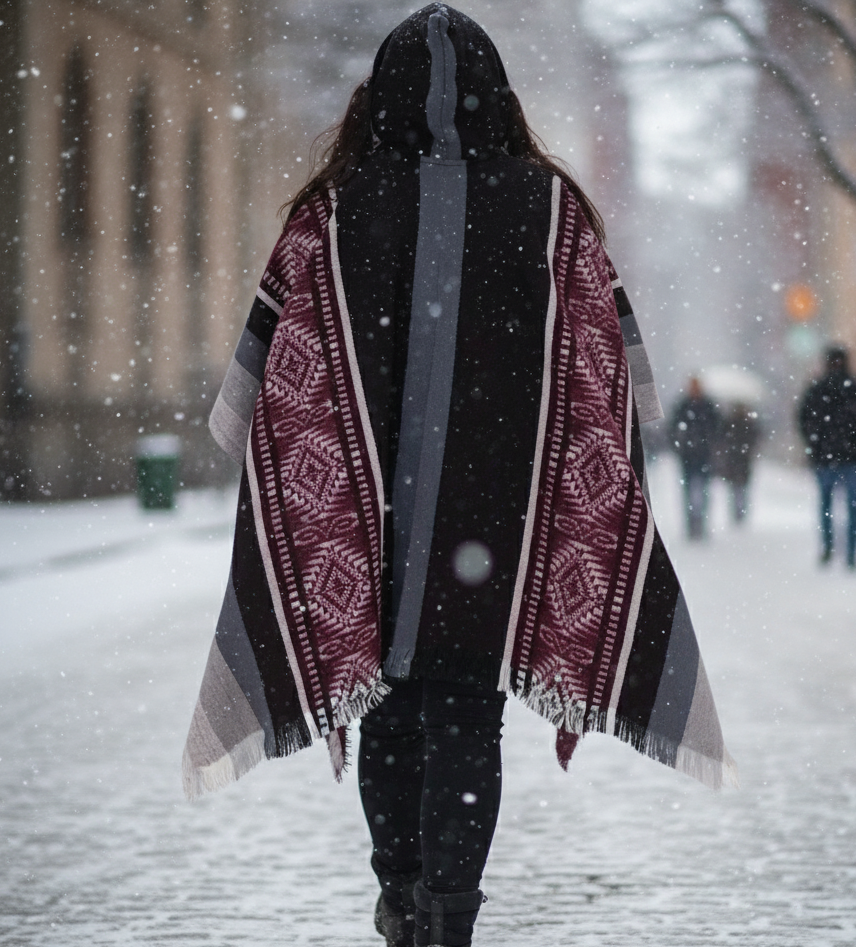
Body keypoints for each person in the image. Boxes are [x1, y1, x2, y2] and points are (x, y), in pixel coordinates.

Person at [181, 7, 736, 946]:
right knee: (466, 721)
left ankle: (400, 897)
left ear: (376, 96)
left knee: (391, 715)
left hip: (368, 527)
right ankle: (447, 917)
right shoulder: (551, 210)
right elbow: (609, 377)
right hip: (496, 529)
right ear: (502, 96)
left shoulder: (334, 209)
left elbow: (263, 386)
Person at [798, 345, 856, 569]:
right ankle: (850, 552)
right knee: (851, 507)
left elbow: (803, 419)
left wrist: (815, 443)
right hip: (851, 458)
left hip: (830, 458)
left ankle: (832, 548)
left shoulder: (818, 389)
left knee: (828, 505)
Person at [669, 376, 722, 540]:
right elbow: (672, 429)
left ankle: (702, 524)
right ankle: (691, 524)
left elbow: (717, 427)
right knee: (689, 492)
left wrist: (711, 442)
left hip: (703, 455)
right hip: (688, 455)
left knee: (703, 490)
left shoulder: (708, 406)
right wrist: (679, 445)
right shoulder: (683, 406)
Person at [717, 402, 761, 524]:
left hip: (737, 459)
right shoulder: (745, 423)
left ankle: (738, 510)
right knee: (739, 488)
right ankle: (740, 510)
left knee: (737, 488)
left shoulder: (733, 423)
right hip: (739, 459)